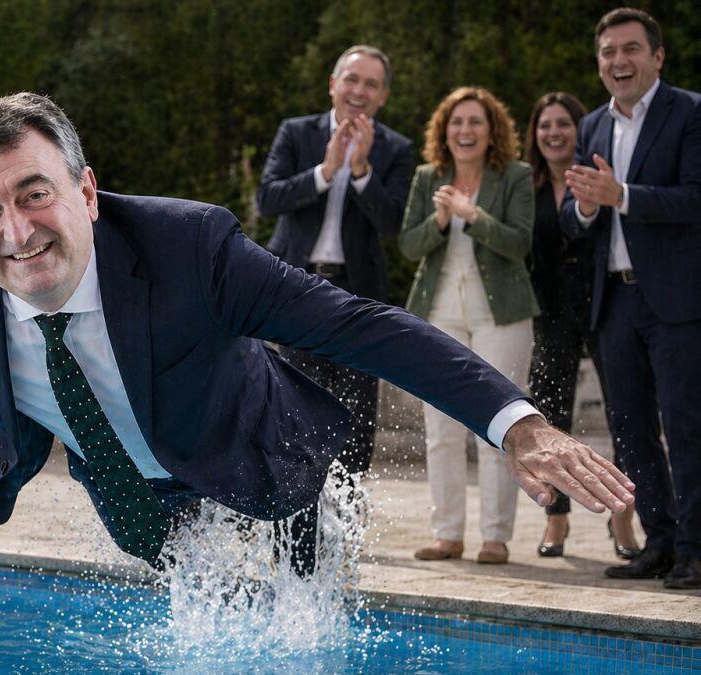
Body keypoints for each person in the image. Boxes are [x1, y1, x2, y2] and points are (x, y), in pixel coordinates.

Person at [0, 93, 633, 579]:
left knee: (305, 603)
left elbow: (362, 326)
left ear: (85, 190)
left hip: (257, 446)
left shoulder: (189, 249)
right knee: (186, 598)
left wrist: (518, 424)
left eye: (35, 194)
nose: (15, 230)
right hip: (132, 486)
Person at [562, 8, 701, 589]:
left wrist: (621, 195)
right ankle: (659, 542)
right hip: (613, 304)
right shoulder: (592, 126)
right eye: (608, 52)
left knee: (687, 426)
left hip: (676, 302)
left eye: (631, 49)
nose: (618, 61)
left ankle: (696, 549)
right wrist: (585, 207)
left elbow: (693, 198)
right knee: (632, 430)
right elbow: (573, 217)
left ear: (657, 57)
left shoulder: (690, 112)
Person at [257, 45, 414, 477]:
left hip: (358, 294)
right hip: (295, 287)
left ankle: (349, 514)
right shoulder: (296, 132)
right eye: (352, 79)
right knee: (295, 408)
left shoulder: (397, 148)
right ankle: (296, 507)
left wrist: (361, 171)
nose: (359, 91)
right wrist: (325, 172)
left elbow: (393, 222)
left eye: (371, 84)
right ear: (333, 84)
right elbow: (268, 198)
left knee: (357, 415)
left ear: (383, 96)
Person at [399, 87, 538, 565]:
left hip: (502, 316)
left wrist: (472, 215)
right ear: (444, 131)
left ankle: (495, 536)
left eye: (476, 121)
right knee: (441, 429)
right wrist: (439, 221)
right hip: (439, 313)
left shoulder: (516, 175)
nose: (465, 130)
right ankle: (447, 534)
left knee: (499, 425)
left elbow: (518, 243)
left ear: (492, 130)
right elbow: (409, 246)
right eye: (456, 122)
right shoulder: (427, 177)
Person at [523, 92, 641, 561]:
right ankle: (557, 518)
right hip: (549, 313)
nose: (553, 133)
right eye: (544, 125)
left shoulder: (598, 175)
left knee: (625, 415)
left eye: (563, 124)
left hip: (605, 305)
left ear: (580, 130)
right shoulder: (525, 185)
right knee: (549, 416)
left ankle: (623, 515)